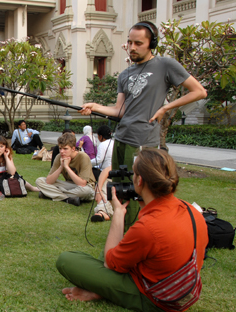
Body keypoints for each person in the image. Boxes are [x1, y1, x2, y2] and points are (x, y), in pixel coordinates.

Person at [80, 21, 206, 228]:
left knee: (139, 190)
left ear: (151, 44)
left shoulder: (165, 65)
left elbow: (199, 91)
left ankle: (137, 233)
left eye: (138, 43)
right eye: (129, 42)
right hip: (120, 139)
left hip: (143, 141)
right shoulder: (125, 74)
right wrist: (95, 106)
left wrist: (166, 108)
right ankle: (122, 231)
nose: (132, 47)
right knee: (120, 190)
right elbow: (119, 111)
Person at [56, 148, 209, 312]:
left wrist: (118, 215)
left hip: (157, 299)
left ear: (140, 180)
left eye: (133, 173)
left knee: (67, 259)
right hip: (182, 291)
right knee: (116, 244)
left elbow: (109, 262)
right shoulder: (193, 211)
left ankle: (102, 290)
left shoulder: (148, 227)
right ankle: (102, 287)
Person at [36, 133, 95, 206]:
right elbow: (49, 181)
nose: (62, 151)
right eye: (60, 148)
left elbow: (82, 183)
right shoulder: (59, 157)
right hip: (69, 185)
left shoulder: (83, 157)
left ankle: (50, 194)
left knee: (86, 191)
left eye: (65, 149)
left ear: (73, 148)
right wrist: (61, 167)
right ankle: (67, 199)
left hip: (84, 187)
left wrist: (66, 167)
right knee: (40, 181)